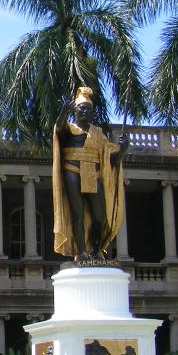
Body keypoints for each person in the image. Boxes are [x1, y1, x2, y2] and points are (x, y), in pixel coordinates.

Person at [52, 86, 129, 261]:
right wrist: (62, 114)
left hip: (92, 173)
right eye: (81, 108)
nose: (85, 111)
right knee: (77, 214)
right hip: (72, 170)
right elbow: (58, 132)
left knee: (98, 215)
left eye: (88, 109)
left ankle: (95, 249)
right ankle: (81, 252)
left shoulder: (98, 134)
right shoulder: (69, 128)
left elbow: (112, 160)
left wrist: (123, 150)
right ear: (75, 110)